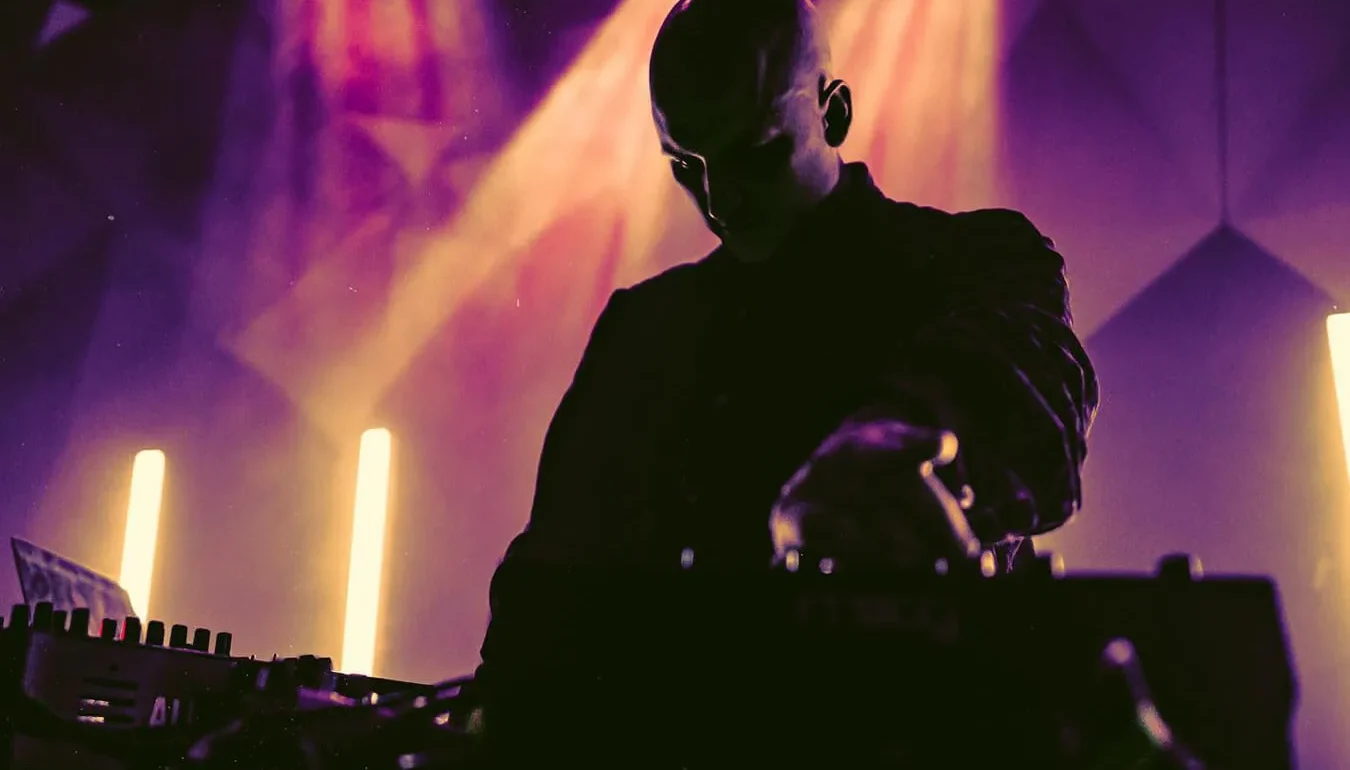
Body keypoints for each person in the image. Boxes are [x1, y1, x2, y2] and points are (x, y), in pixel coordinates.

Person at [473, 0, 1099, 751]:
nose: (720, 201)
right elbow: (549, 591)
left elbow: (1034, 402)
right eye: (686, 167)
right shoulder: (645, 329)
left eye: (757, 152)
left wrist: (888, 444)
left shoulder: (975, 261)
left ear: (834, 113)